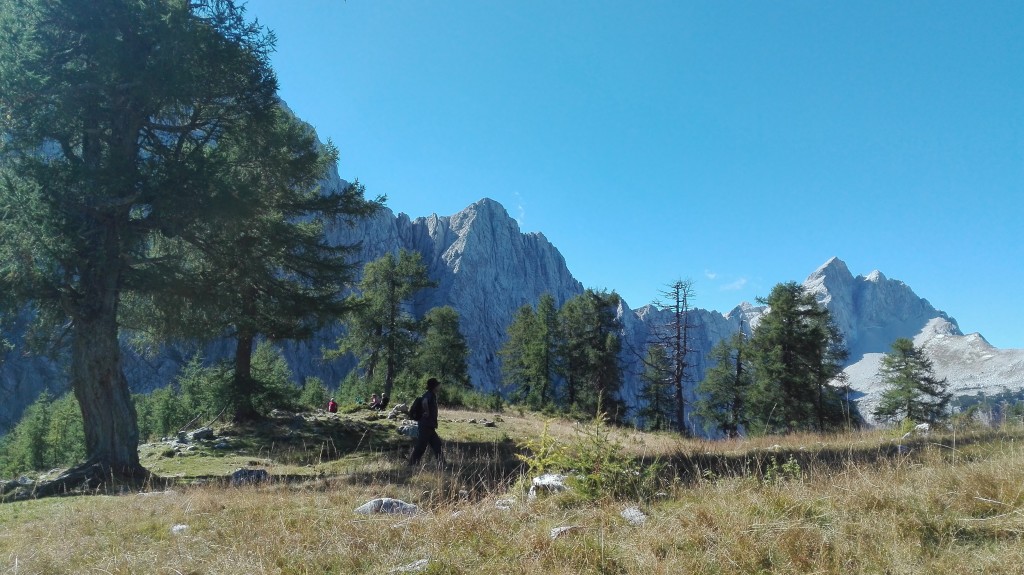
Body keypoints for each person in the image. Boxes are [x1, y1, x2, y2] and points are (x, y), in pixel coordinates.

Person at [408, 378, 444, 466]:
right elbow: (424, 402)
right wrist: (427, 412)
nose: (439, 387)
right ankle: (412, 464)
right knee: (421, 446)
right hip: (426, 425)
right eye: (437, 385)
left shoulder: (431, 394)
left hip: (429, 425)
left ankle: (442, 463)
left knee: (437, 444)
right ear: (434, 387)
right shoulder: (429, 394)